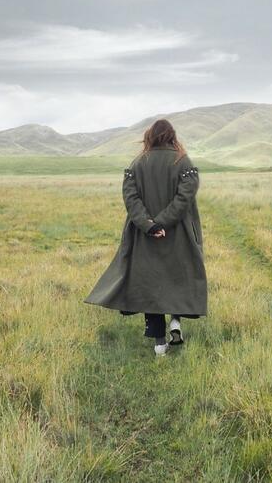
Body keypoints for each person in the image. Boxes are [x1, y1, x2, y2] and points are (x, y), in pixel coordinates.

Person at [84, 119, 207, 356]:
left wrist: (149, 226)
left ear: (149, 136)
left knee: (151, 285)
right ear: (172, 136)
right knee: (177, 277)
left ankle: (160, 343)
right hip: (178, 233)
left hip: (145, 236)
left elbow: (131, 200)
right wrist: (164, 222)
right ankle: (175, 321)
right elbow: (184, 198)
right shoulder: (184, 162)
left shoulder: (137, 163)